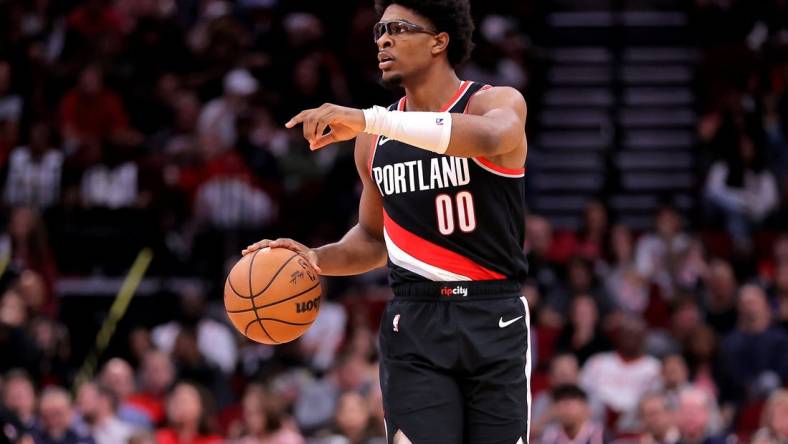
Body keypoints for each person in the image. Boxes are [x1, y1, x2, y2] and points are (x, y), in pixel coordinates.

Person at [244, 0, 530, 442]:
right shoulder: (373, 140)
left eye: (397, 28)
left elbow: (494, 138)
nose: (383, 39)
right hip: (415, 320)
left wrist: (369, 119)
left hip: (493, 313)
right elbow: (374, 239)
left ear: (439, 41)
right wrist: (313, 259)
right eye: (379, 30)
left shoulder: (492, 102)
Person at [538, 385, 605, 444]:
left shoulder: (601, 435)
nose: (563, 411)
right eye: (559, 406)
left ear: (585, 408)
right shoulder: (549, 436)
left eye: (568, 405)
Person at [31, 387, 95, 444]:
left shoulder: (82, 438)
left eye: (58, 414)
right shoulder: (34, 439)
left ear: (69, 413)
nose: (53, 420)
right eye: (47, 415)